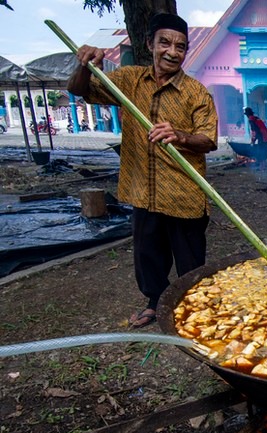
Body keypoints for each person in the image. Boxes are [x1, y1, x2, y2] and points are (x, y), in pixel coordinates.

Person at [67, 13, 218, 328]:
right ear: (150, 44)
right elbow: (82, 90)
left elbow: (209, 140)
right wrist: (84, 64)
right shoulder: (129, 79)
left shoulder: (197, 93)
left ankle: (192, 308)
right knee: (148, 256)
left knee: (190, 262)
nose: (172, 52)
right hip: (143, 190)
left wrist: (180, 135)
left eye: (180, 46)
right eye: (165, 42)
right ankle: (155, 302)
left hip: (183, 194)